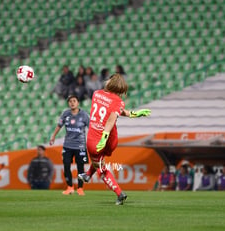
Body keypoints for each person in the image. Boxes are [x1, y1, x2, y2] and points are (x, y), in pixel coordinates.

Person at [77, 73, 151, 205]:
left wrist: (103, 138)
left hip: (96, 140)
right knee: (99, 160)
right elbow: (116, 112)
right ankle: (87, 175)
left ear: (110, 83)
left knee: (100, 167)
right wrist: (134, 114)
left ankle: (119, 194)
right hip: (112, 140)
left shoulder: (96, 94)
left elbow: (110, 119)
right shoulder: (118, 101)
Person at [50, 94, 90, 195]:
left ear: (78, 103)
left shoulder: (84, 115)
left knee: (80, 168)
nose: (72, 103)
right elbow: (59, 125)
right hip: (67, 145)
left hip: (80, 146)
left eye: (74, 101)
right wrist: (53, 136)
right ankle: (70, 187)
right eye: (70, 101)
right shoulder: (65, 114)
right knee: (66, 166)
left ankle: (80, 188)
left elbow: (91, 128)